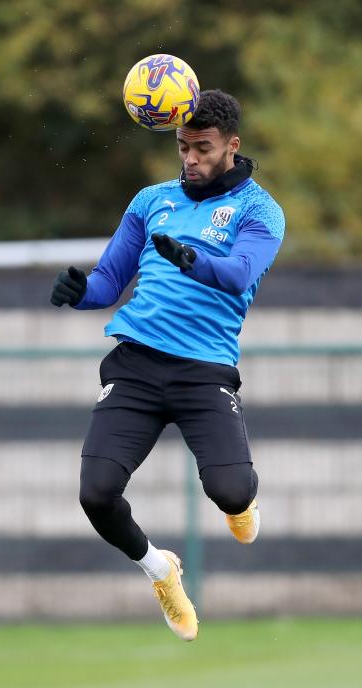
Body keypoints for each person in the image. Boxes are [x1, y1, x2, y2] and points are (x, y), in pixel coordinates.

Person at [50, 89, 284, 641]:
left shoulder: (260, 209)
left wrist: (190, 259)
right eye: (183, 147)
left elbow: (238, 275)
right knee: (96, 493)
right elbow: (109, 282)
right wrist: (80, 290)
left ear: (232, 145)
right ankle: (160, 570)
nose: (190, 159)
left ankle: (242, 504)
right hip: (136, 365)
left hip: (204, 372)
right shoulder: (151, 200)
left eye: (202, 147)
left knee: (230, 492)